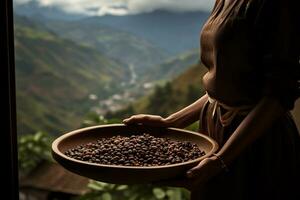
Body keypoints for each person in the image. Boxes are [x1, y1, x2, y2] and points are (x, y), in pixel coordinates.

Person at [123, 0, 300, 199]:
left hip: (256, 140)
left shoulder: (276, 5)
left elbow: (279, 95)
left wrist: (221, 159)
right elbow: (225, 86)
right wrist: (172, 122)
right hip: (215, 129)